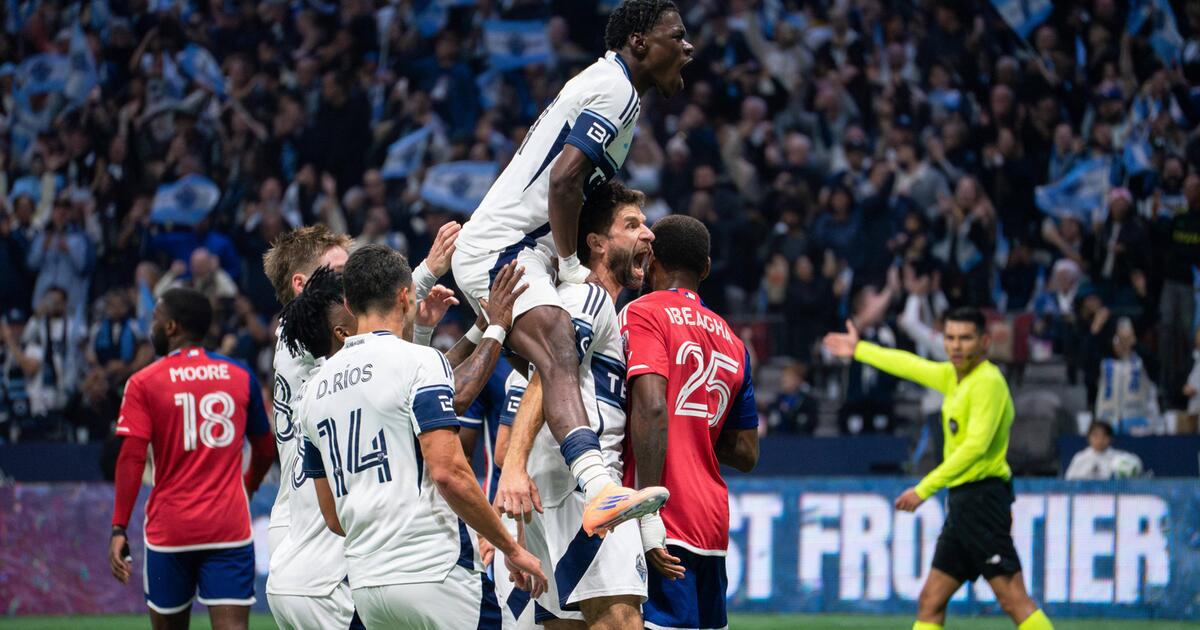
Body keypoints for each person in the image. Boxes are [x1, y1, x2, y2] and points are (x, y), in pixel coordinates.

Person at [450, 0, 692, 533]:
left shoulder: (612, 87)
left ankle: (528, 475)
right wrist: (567, 267)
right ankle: (598, 487)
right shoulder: (615, 89)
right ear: (639, 43)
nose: (688, 47)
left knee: (554, 362)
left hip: (512, 247)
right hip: (508, 248)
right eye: (677, 36)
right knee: (562, 344)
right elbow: (564, 180)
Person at [297, 244, 546, 629]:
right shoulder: (419, 361)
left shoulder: (313, 391)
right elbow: (449, 474)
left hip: (366, 586)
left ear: (349, 302)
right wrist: (510, 547)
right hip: (434, 573)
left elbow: (332, 516)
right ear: (405, 296)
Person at [262, 222, 459, 629]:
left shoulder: (313, 350)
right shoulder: (297, 336)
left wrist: (418, 326)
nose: (352, 284)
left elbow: (391, 377)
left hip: (299, 543)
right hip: (324, 563)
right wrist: (423, 274)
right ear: (302, 284)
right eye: (339, 273)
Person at [823, 307, 1054, 630]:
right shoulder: (953, 376)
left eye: (965, 338)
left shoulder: (988, 382)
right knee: (931, 601)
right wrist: (860, 349)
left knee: (1013, 599)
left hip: (983, 501)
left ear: (984, 342)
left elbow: (975, 448)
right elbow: (911, 365)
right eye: (950, 338)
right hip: (963, 503)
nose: (956, 346)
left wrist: (923, 488)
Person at [493, 181, 659, 629]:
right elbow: (551, 372)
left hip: (555, 489)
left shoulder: (593, 307)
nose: (648, 234)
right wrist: (513, 464)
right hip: (583, 488)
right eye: (632, 225)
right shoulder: (586, 297)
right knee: (621, 620)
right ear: (596, 243)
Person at [620, 215, 759, 630]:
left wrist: (648, 509)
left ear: (651, 258)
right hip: (711, 522)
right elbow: (747, 453)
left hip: (663, 515)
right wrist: (696, 429)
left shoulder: (642, 313)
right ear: (707, 268)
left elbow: (653, 409)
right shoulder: (734, 341)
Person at [107, 287, 276, 630]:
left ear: (171, 327)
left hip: (171, 530)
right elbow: (265, 448)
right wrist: (247, 487)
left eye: (155, 320)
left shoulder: (144, 382)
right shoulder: (240, 375)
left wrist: (119, 527)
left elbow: (131, 458)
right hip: (228, 526)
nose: (151, 327)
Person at [1094, 317, 1162, 435]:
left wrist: (1134, 344)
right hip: (1107, 425)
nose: (1122, 343)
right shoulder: (1104, 363)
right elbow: (1085, 359)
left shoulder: (1141, 362)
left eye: (1125, 339)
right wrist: (1094, 334)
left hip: (1138, 425)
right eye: (1118, 340)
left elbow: (1155, 366)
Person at [1064, 421, 1144, 480]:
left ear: (1111, 439)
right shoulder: (1080, 458)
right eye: (1095, 436)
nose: (1100, 440)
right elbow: (1068, 482)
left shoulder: (1121, 458)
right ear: (1088, 437)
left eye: (1104, 436)